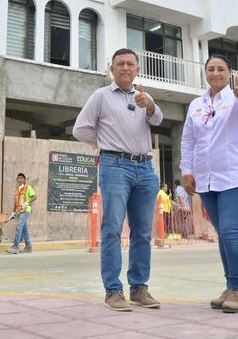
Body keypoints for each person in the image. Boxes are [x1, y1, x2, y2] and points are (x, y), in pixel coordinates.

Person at [73, 48, 163, 312]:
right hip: (115, 166)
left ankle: (139, 288)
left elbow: (158, 120)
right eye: (120, 64)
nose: (126, 67)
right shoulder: (101, 96)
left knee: (143, 232)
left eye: (130, 64)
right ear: (111, 69)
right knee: (112, 228)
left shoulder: (144, 97)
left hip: (145, 168)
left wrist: (150, 106)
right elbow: (81, 129)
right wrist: (103, 145)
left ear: (137, 70)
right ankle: (113, 290)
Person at [181, 54, 238, 313]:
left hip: (235, 175)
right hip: (206, 179)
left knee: (231, 230)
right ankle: (230, 286)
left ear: (229, 72)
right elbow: (188, 141)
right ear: (205, 73)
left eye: (221, 69)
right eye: (211, 69)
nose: (215, 73)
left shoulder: (236, 97)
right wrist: (187, 171)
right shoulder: (195, 105)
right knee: (223, 233)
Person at [6, 173, 36, 254]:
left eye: (22, 178)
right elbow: (15, 202)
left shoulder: (28, 187)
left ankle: (15, 247)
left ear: (24, 180)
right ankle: (28, 246)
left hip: (26, 210)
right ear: (17, 180)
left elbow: (34, 197)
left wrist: (27, 202)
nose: (20, 179)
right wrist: (13, 212)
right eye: (18, 178)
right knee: (24, 229)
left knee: (19, 227)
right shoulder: (16, 189)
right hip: (19, 211)